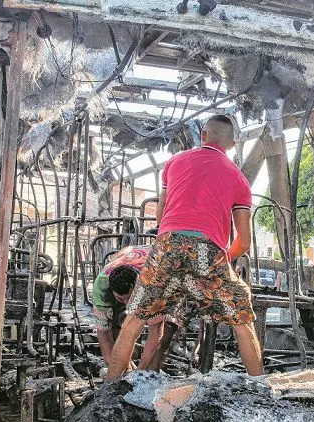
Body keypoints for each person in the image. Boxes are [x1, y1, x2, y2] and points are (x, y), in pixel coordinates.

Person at [105, 114, 263, 380]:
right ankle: (262, 388)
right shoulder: (239, 180)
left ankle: (108, 387)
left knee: (135, 317)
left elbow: (160, 215)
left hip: (166, 244)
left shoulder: (174, 163)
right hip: (208, 250)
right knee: (242, 320)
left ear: (203, 135)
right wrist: (222, 260)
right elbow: (243, 242)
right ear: (232, 145)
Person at [91, 245, 165, 367]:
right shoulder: (101, 287)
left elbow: (156, 332)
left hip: (155, 262)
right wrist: (114, 369)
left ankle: (151, 369)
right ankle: (126, 365)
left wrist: (140, 374)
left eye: (129, 297)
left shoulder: (152, 283)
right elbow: (103, 333)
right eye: (120, 298)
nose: (126, 303)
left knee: (167, 327)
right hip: (125, 257)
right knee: (115, 326)